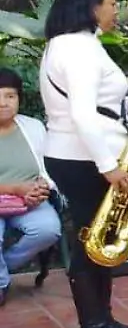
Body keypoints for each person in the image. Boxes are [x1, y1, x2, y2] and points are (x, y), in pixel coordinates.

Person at [37, 0, 128, 328]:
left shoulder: (73, 44)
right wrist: (108, 166)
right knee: (91, 240)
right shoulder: (78, 49)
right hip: (82, 158)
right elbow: (82, 116)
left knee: (99, 238)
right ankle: (94, 327)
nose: (116, 10)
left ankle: (103, 319)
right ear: (90, 6)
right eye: (112, 2)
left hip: (79, 155)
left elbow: (92, 106)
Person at [0, 69, 62, 307]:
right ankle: (1, 285)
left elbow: (50, 167)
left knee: (48, 230)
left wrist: (43, 187)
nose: (3, 103)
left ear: (19, 99)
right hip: (12, 192)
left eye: (10, 96)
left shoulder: (33, 127)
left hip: (29, 199)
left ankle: (2, 270)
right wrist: (16, 188)